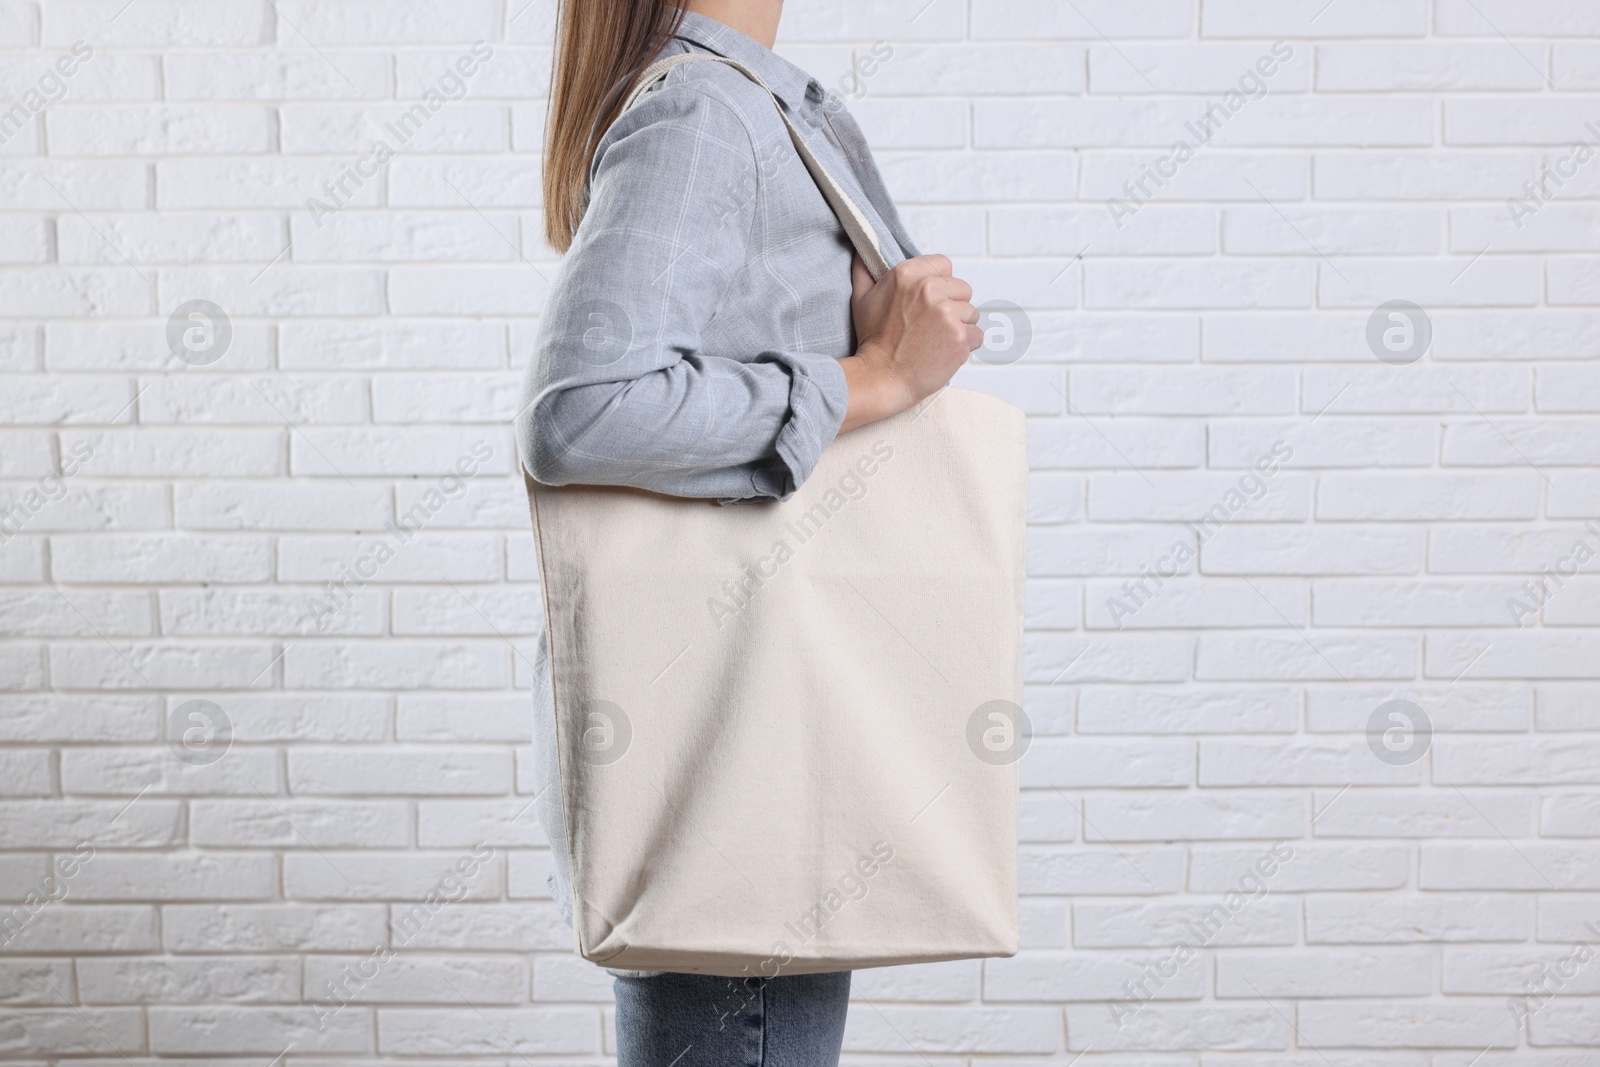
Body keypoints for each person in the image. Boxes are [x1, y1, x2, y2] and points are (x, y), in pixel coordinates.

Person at [517, 0, 983, 1061]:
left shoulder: (735, 99)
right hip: (753, 771)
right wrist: (871, 377)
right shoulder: (704, 112)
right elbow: (580, 408)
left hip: (760, 752)